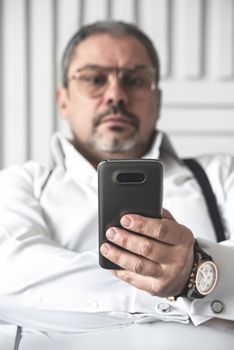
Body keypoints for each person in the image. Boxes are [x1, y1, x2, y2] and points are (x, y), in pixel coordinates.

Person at [0, 20, 234, 349]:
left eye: (135, 80)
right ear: (63, 99)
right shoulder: (20, 183)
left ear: (158, 100)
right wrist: (189, 286)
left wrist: (192, 273)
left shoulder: (223, 174)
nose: (115, 96)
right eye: (95, 79)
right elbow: (9, 276)